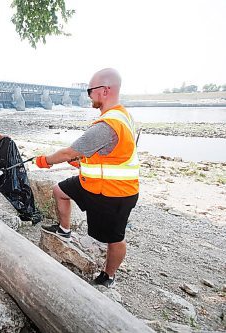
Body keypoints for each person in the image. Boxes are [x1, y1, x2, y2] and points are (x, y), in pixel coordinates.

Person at [35, 68, 139, 288]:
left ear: (104, 90)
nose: (88, 95)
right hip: (93, 184)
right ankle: (64, 230)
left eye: (90, 90)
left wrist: (46, 161)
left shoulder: (108, 124)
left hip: (115, 192)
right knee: (59, 190)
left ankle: (108, 276)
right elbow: (111, 153)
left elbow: (68, 153)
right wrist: (83, 162)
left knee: (115, 238)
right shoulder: (122, 115)